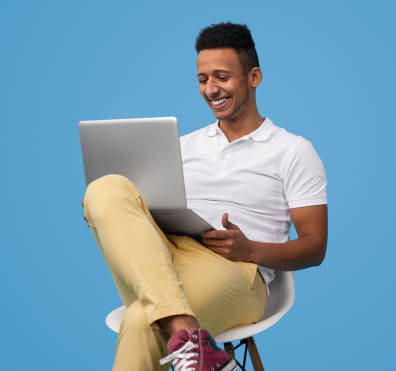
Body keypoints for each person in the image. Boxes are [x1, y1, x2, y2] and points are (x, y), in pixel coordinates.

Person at [81, 22, 328, 371]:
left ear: (253, 77)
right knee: (103, 189)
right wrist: (108, 211)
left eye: (222, 77)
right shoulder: (182, 146)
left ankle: (188, 339)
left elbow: (315, 247)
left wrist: (251, 249)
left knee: (140, 320)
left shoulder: (293, 151)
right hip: (165, 259)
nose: (210, 89)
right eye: (202, 79)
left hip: (237, 270)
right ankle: (193, 340)